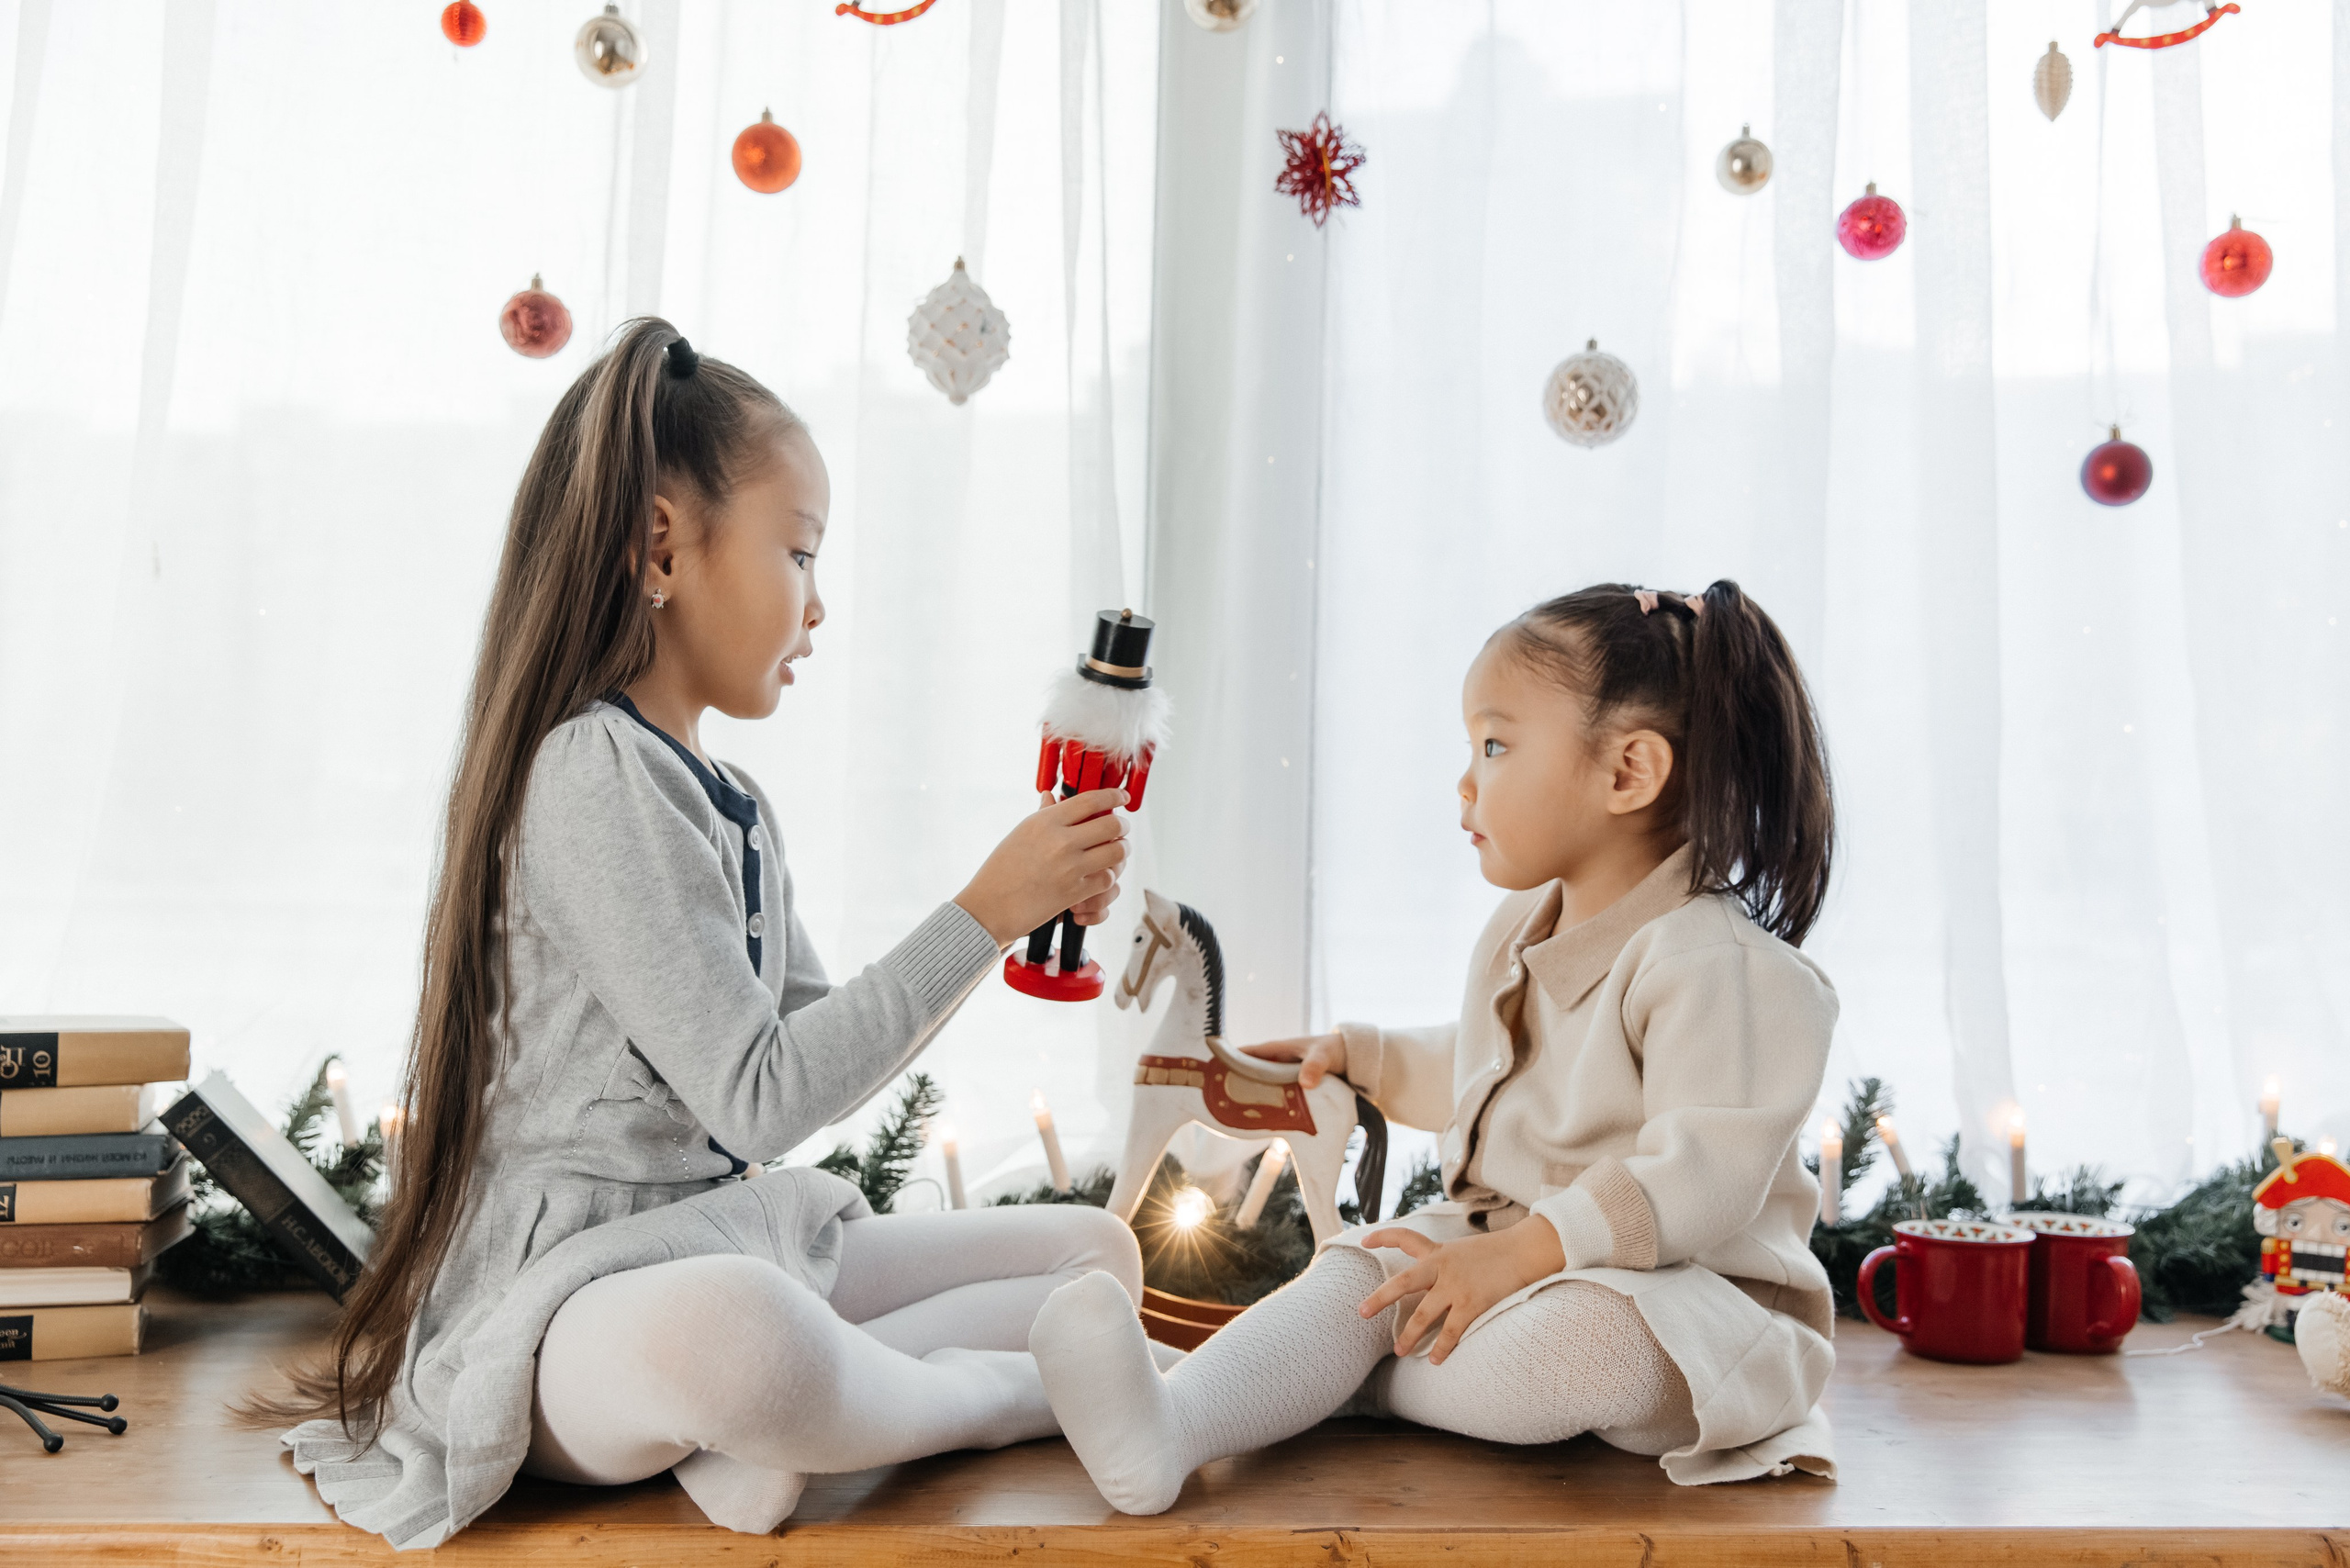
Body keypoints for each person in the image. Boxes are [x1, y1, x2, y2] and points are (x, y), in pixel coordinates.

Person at [263, 320, 1140, 1548]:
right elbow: (760, 1101)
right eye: (798, 552)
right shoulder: (588, 772)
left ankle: (773, 1430)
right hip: (576, 1296)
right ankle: (996, 1397)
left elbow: (806, 1049)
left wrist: (1012, 917)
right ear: (663, 544)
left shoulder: (725, 795)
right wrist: (982, 909)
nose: (819, 606)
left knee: (1092, 1254)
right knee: (743, 1338)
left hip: (718, 1235)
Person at [1029, 580, 1841, 1512]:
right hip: (1515, 1254)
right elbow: (1495, 1067)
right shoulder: (1519, 930)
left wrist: (1530, 1250)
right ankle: (1168, 1429)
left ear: (1627, 773)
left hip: (1690, 1302)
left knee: (1584, 1339)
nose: (1465, 782)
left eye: (1493, 746)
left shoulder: (1721, 966)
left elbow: (1698, 1177)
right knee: (1365, 1267)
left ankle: (1316, 1383)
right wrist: (1363, 1054)